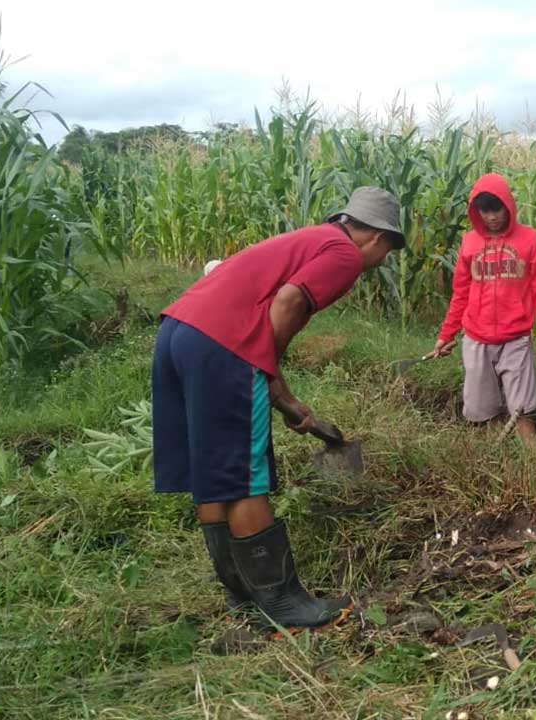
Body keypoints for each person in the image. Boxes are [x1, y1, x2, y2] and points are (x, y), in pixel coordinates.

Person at [153, 186, 404, 630]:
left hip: (179, 331)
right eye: (388, 251)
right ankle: (282, 603)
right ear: (378, 238)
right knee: (247, 476)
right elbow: (287, 303)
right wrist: (274, 380)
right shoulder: (343, 254)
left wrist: (283, 396)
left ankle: (242, 594)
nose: (382, 261)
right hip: (222, 342)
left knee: (214, 474)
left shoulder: (308, 238)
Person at [431, 173, 536, 444]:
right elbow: (460, 293)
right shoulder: (469, 243)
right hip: (476, 338)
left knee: (522, 409)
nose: (491, 217)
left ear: (509, 206)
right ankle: (491, 463)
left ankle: (533, 463)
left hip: (516, 339)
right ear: (477, 212)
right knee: (481, 412)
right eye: (485, 211)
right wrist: (446, 335)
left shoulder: (531, 240)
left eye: (496, 210)